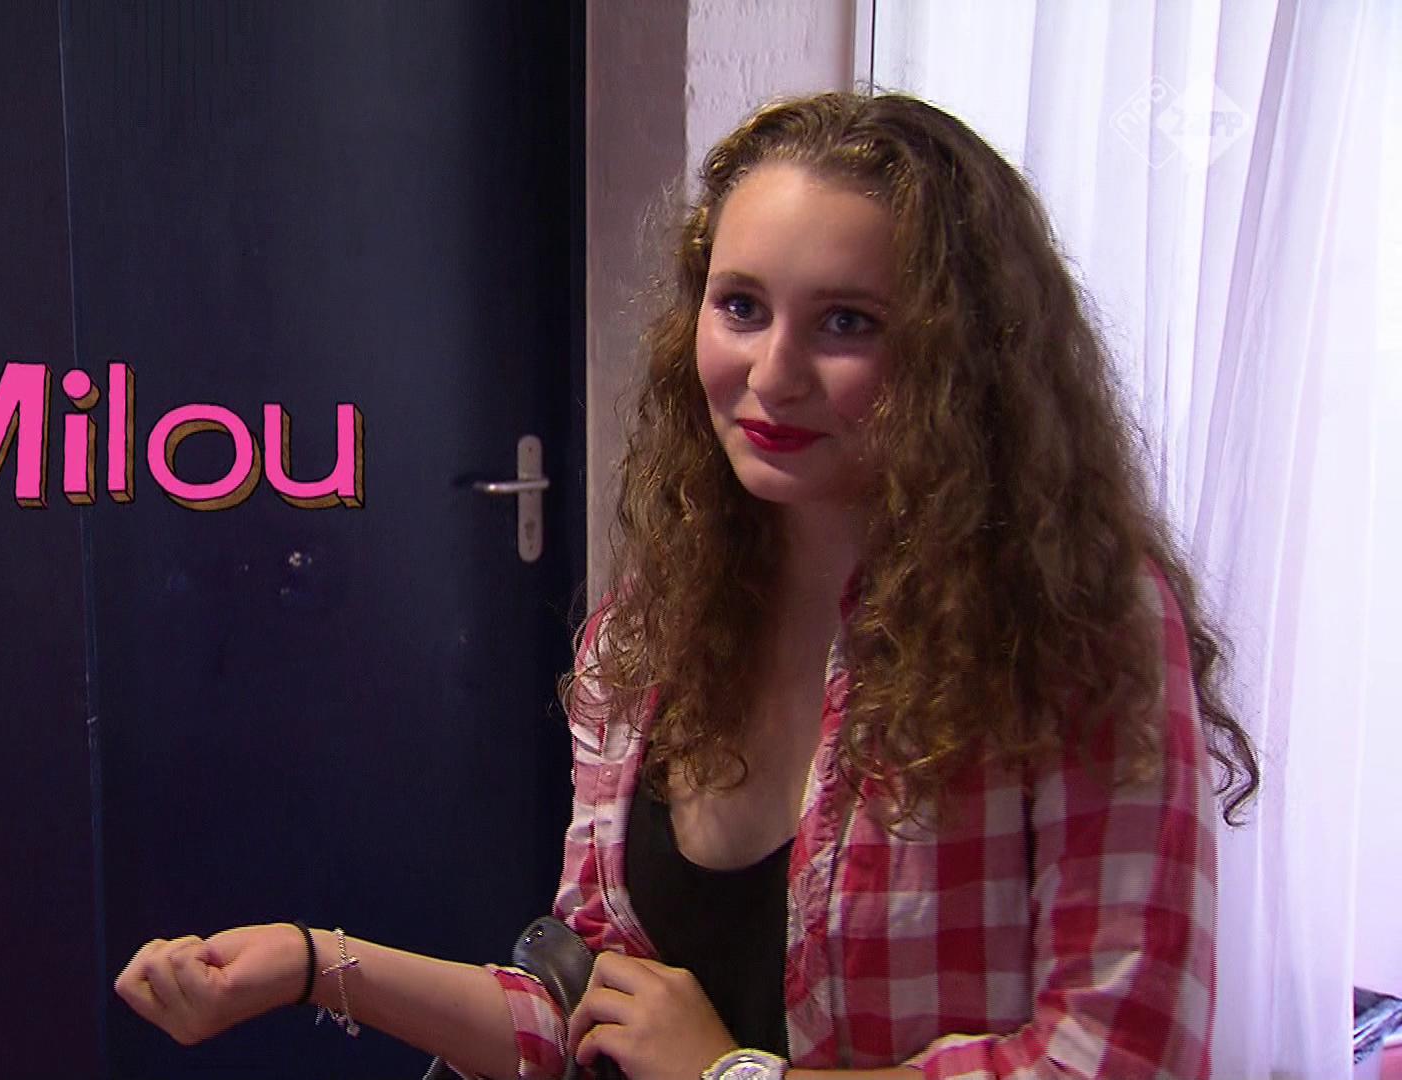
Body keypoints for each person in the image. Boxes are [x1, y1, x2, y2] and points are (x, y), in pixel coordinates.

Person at [114, 91, 1259, 1080]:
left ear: (963, 360)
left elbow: (1122, 1052)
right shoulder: (648, 636)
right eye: (741, 306)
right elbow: (587, 1011)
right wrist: (312, 964)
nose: (773, 374)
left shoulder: (1075, 628)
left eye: (847, 323)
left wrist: (731, 1074)